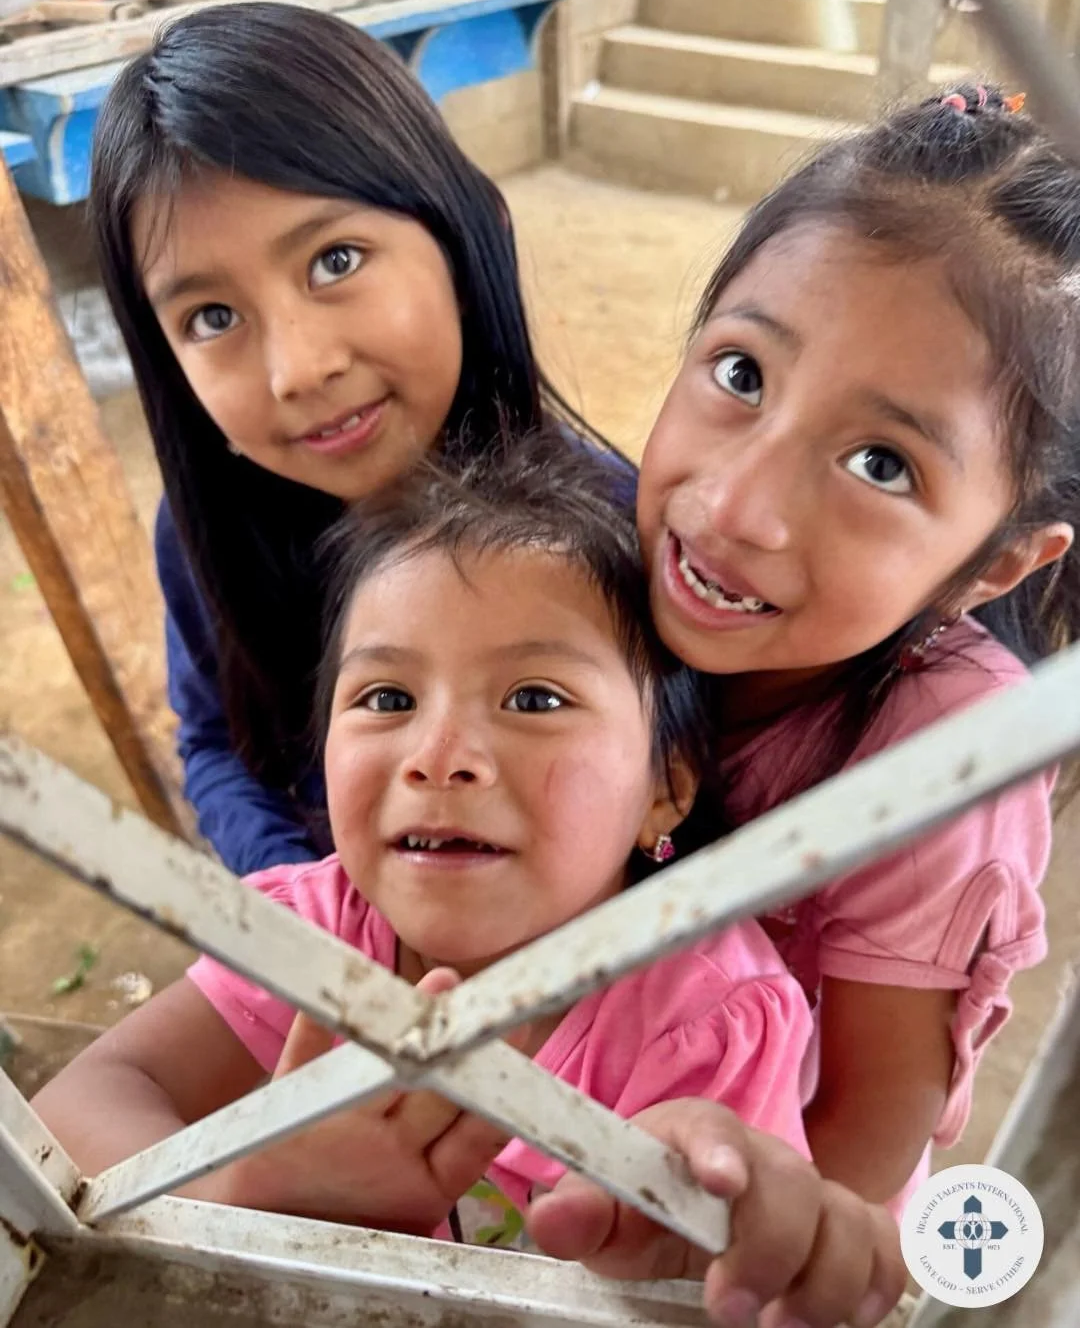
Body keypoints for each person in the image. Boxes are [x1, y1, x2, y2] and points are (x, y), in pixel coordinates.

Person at [33, 439, 832, 1307]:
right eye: (386, 699)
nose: (438, 757)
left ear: (665, 787)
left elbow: (728, 1287)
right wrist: (240, 1208)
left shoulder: (709, 1020)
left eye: (534, 699)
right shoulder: (310, 932)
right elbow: (80, 1109)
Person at [633, 83, 1078, 1212]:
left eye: (881, 463)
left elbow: (861, 1154)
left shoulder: (942, 760)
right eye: (742, 374)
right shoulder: (589, 580)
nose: (735, 508)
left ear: (992, 569)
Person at [89, 1, 623, 875]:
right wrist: (310, 924)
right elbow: (217, 743)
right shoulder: (201, 536)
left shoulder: (613, 538)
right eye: (212, 316)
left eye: (334, 260)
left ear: (463, 238)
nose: (296, 369)